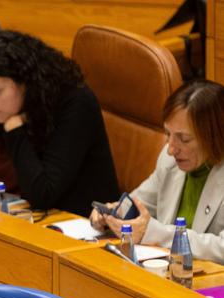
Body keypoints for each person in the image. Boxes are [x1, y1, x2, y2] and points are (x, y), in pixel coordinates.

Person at [0, 30, 119, 216]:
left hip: (74, 226)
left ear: (26, 83)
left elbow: (43, 194)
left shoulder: (76, 103)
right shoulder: (6, 105)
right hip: (17, 217)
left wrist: (14, 129)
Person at [91, 80, 224, 263]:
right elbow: (140, 205)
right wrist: (111, 215)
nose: (171, 149)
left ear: (215, 137)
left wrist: (154, 233)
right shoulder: (170, 159)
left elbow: (222, 248)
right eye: (168, 134)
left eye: (184, 139)